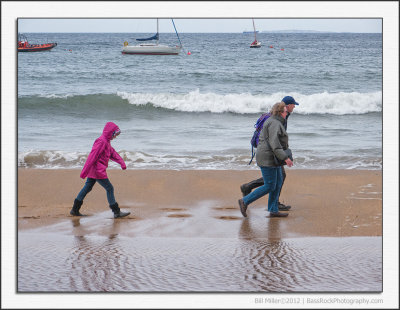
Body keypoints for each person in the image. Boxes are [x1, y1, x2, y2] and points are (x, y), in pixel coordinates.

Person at [240, 95, 299, 211]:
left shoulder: (280, 118)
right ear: (286, 107)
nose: (294, 107)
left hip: (271, 153)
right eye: (293, 105)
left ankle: (272, 206)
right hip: (270, 154)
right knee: (273, 181)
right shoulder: (275, 121)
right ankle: (249, 194)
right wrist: (284, 156)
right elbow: (274, 141)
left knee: (277, 179)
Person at [70, 122, 130, 218]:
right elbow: (92, 156)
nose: (115, 137)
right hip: (98, 171)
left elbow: (112, 153)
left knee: (87, 187)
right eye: (115, 134)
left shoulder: (106, 142)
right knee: (109, 188)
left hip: (95, 170)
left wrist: (122, 163)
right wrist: (84, 172)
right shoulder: (101, 141)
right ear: (111, 132)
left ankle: (75, 209)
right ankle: (116, 212)